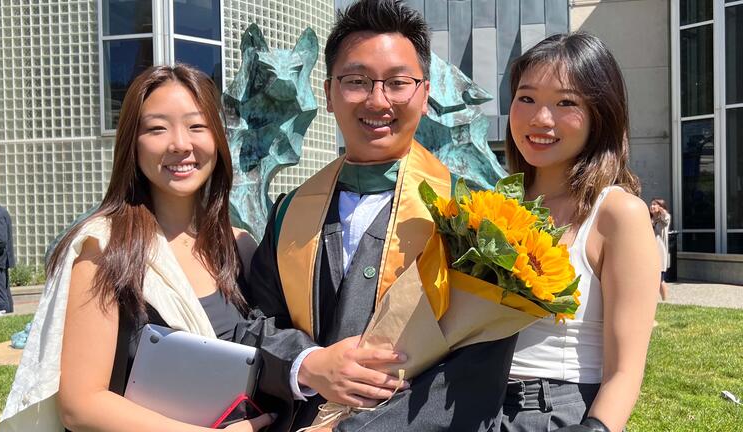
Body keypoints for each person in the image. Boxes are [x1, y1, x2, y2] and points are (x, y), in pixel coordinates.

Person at [242, 1, 518, 430]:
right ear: (330, 94)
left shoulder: (470, 217)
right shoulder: (290, 212)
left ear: (425, 95)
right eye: (356, 81)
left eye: (397, 83)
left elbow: (477, 366)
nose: (377, 100)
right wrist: (307, 364)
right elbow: (256, 322)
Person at [0, 64, 275, 432]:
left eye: (197, 126)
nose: (180, 144)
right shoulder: (104, 248)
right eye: (157, 128)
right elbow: (81, 405)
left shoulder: (240, 245)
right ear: (133, 141)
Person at [495, 32, 660, 432]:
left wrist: (597, 428)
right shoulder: (498, 203)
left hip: (551, 412)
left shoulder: (618, 213)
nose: (540, 119)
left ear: (600, 113)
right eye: (526, 98)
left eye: (565, 102)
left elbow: (625, 371)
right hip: (471, 404)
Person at [650, 198, 671, 300]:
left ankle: (665, 299)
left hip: (660, 251)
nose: (652, 206)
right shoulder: (649, 219)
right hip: (649, 250)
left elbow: (666, 218)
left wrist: (662, 210)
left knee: (660, 278)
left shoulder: (664, 218)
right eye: (651, 204)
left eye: (655, 204)